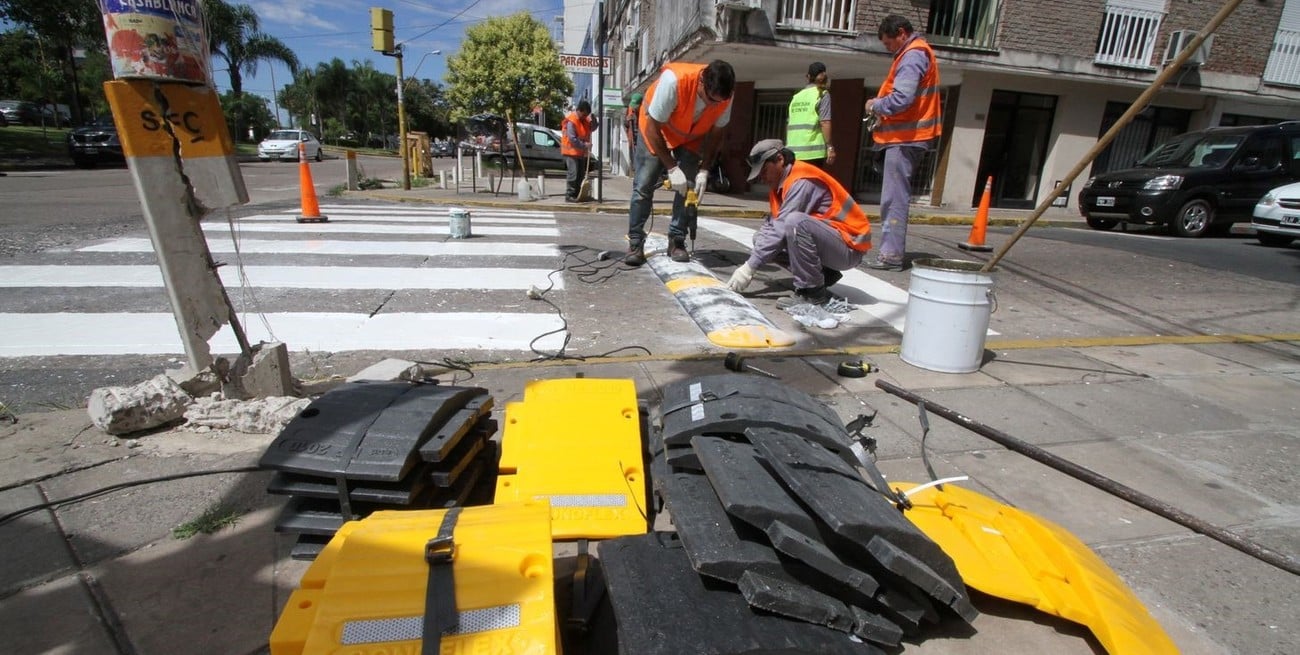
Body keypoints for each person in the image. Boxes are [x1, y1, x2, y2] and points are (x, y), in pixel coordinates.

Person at [726, 139, 871, 308]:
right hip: (832, 244)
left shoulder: (802, 181)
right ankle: (824, 274)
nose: (762, 178)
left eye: (764, 170)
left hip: (848, 247)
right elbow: (772, 227)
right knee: (760, 239)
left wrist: (749, 268)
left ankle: (812, 292)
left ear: (780, 159)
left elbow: (781, 228)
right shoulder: (780, 185)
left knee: (795, 223)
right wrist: (750, 263)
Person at [624, 59, 736, 266]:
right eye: (710, 99)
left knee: (688, 187)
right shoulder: (674, 81)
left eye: (718, 102)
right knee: (643, 186)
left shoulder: (725, 97)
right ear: (702, 82)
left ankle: (676, 240)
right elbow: (653, 128)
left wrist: (704, 170)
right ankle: (636, 242)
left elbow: (716, 133)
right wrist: (672, 167)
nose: (713, 105)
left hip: (689, 137)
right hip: (655, 129)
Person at [863, 14, 941, 271]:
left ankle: (891, 256)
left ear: (901, 34)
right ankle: (890, 253)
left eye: (889, 43)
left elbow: (901, 99)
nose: (888, 49)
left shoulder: (912, 55)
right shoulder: (914, 53)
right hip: (906, 138)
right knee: (893, 197)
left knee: (893, 199)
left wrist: (875, 105)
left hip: (905, 138)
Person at [786, 62, 835, 169]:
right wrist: (830, 147)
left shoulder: (796, 97)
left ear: (808, 77)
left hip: (793, 152)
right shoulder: (822, 94)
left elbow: (790, 122)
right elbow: (825, 122)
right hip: (812, 153)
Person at [561, 100, 598, 202]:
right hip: (571, 152)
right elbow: (572, 139)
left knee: (580, 174)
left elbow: (592, 128)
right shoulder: (571, 121)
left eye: (586, 115)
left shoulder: (584, 120)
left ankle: (578, 194)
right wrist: (585, 145)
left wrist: (594, 121)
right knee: (573, 174)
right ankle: (570, 195)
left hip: (580, 152)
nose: (585, 116)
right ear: (579, 111)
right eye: (584, 114)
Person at [623, 92, 643, 177]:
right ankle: (635, 172)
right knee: (633, 158)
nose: (634, 108)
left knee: (641, 158)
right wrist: (627, 120)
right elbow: (625, 124)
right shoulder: (629, 109)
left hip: (642, 139)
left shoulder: (644, 111)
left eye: (636, 106)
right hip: (632, 138)